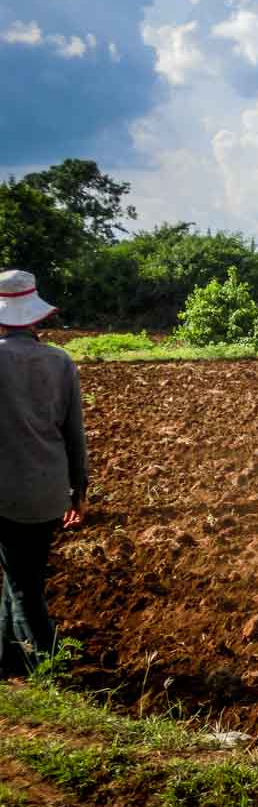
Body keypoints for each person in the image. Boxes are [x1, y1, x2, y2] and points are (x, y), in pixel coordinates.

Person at [0, 270, 89, 679]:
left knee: (22, 584)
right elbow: (75, 433)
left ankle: (49, 667)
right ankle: (10, 660)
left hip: (6, 492)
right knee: (22, 570)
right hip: (51, 491)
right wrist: (78, 490)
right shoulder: (60, 361)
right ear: (34, 318)